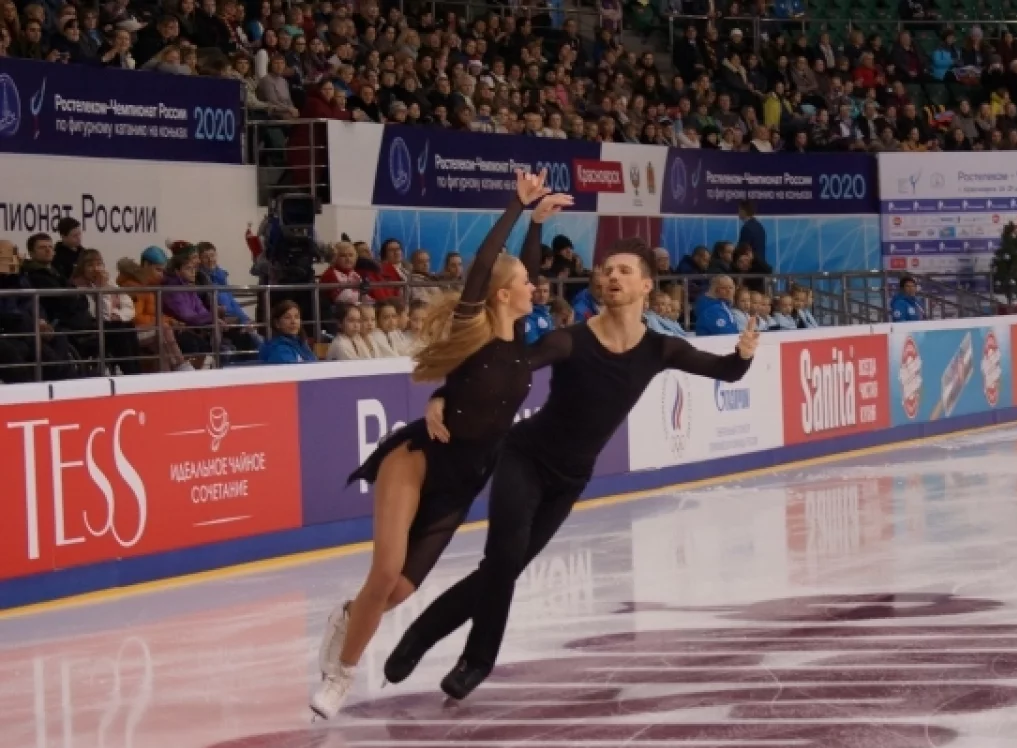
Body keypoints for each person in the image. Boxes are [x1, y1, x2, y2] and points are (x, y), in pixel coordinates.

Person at [381, 238, 759, 700]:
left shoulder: (660, 349)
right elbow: (507, 368)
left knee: (506, 568)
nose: (612, 276)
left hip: (571, 479)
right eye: (607, 270)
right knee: (502, 560)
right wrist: (445, 394)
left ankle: (420, 633)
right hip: (524, 458)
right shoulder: (570, 340)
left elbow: (727, 372)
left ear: (646, 286)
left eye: (624, 271)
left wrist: (744, 353)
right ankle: (474, 661)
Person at [309, 171, 572, 719]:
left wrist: (537, 227)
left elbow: (522, 268)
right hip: (420, 460)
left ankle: (348, 617)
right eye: (525, 282)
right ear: (502, 294)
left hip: (462, 486)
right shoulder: (473, 324)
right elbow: (485, 266)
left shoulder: (519, 342)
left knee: (399, 591)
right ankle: (340, 676)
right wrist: (516, 205)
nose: (535, 287)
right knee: (385, 573)